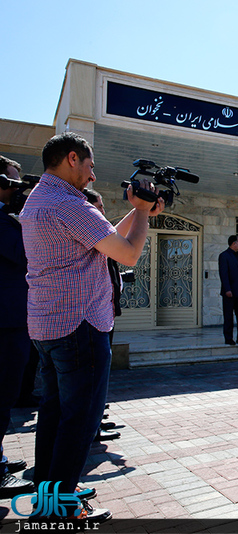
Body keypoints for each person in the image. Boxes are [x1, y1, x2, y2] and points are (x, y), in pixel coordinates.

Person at [20, 132, 164, 521]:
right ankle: (59, 513)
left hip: (49, 327)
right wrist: (145, 214)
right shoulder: (68, 204)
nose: (93, 175)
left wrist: (136, 211)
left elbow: (101, 238)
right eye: (89, 165)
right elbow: (129, 253)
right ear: (71, 158)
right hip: (79, 328)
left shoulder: (41, 198)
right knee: (80, 419)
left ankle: (48, 500)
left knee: (53, 416)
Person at [0, 155, 35, 498]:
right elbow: (22, 253)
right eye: (12, 182)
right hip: (6, 320)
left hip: (12, 318)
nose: (17, 189)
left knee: (6, 394)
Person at [83, 189, 124, 442]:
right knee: (90, 377)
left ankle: (96, 419)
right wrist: (140, 211)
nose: (103, 213)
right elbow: (126, 251)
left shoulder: (102, 236)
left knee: (99, 377)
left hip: (106, 314)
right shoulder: (92, 236)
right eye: (99, 207)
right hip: (92, 318)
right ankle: (91, 427)